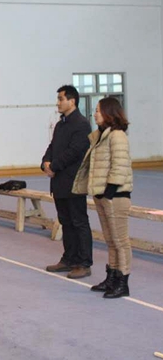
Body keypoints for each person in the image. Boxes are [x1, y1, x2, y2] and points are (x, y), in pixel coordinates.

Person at [72, 97, 132, 297]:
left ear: (109, 113)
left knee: (120, 241)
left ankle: (123, 282)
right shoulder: (100, 136)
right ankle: (112, 277)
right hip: (103, 195)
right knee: (111, 241)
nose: (94, 114)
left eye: (98, 110)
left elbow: (119, 166)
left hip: (115, 196)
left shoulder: (117, 136)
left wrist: (109, 193)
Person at [42, 85, 92, 279]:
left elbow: (75, 151)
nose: (58, 103)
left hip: (74, 182)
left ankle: (84, 263)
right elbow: (52, 146)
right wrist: (45, 163)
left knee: (79, 222)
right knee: (66, 222)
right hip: (59, 182)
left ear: (72, 101)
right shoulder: (60, 124)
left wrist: (54, 166)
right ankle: (69, 258)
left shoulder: (82, 124)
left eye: (61, 99)